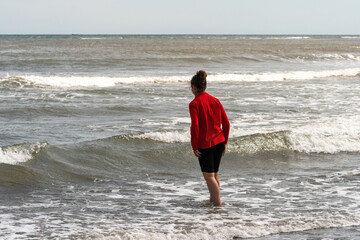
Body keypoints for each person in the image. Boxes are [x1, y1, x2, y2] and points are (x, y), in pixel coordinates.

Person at [189, 70, 230, 206]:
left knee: (209, 176)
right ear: (205, 86)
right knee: (215, 175)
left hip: (205, 144)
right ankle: (214, 200)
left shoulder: (194, 104)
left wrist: (194, 146)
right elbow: (226, 123)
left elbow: (195, 126)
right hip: (219, 141)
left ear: (194, 87)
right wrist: (225, 142)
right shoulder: (215, 100)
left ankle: (217, 205)